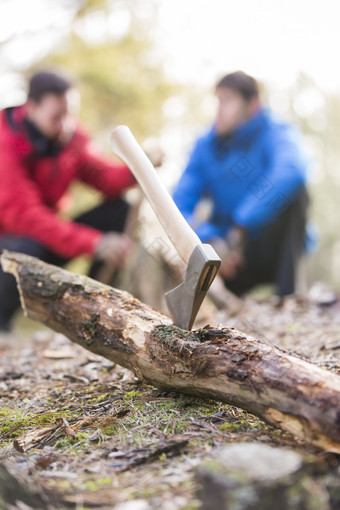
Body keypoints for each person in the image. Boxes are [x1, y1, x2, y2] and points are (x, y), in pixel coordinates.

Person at [0, 69, 137, 331]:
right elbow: (27, 218)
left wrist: (138, 166)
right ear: (32, 107)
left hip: (45, 238)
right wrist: (94, 242)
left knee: (119, 210)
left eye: (69, 114)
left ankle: (99, 313)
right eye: (56, 117)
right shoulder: (4, 142)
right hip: (11, 243)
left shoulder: (69, 139)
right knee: (21, 249)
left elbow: (104, 177)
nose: (65, 124)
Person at [173, 71, 310, 299]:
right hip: (227, 256)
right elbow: (178, 204)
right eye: (218, 101)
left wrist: (242, 222)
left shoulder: (276, 132)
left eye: (227, 101)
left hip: (270, 249)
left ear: (252, 105)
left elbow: (291, 171)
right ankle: (223, 298)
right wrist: (211, 240)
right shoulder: (206, 144)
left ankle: (289, 296)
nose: (219, 109)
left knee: (297, 194)